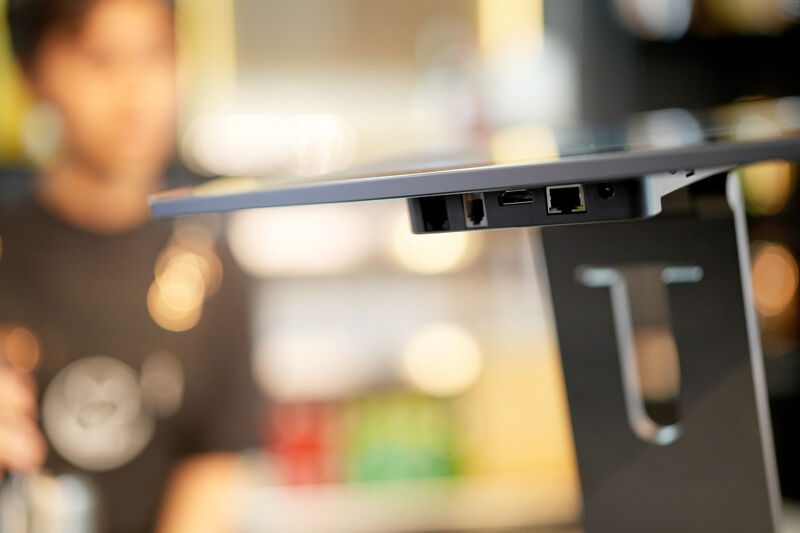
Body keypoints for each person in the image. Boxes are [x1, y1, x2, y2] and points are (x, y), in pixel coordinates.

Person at [0, 0, 264, 531]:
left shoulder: (208, 259)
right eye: (101, 59)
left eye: (155, 55)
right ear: (34, 73)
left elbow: (213, 466)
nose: (136, 93)